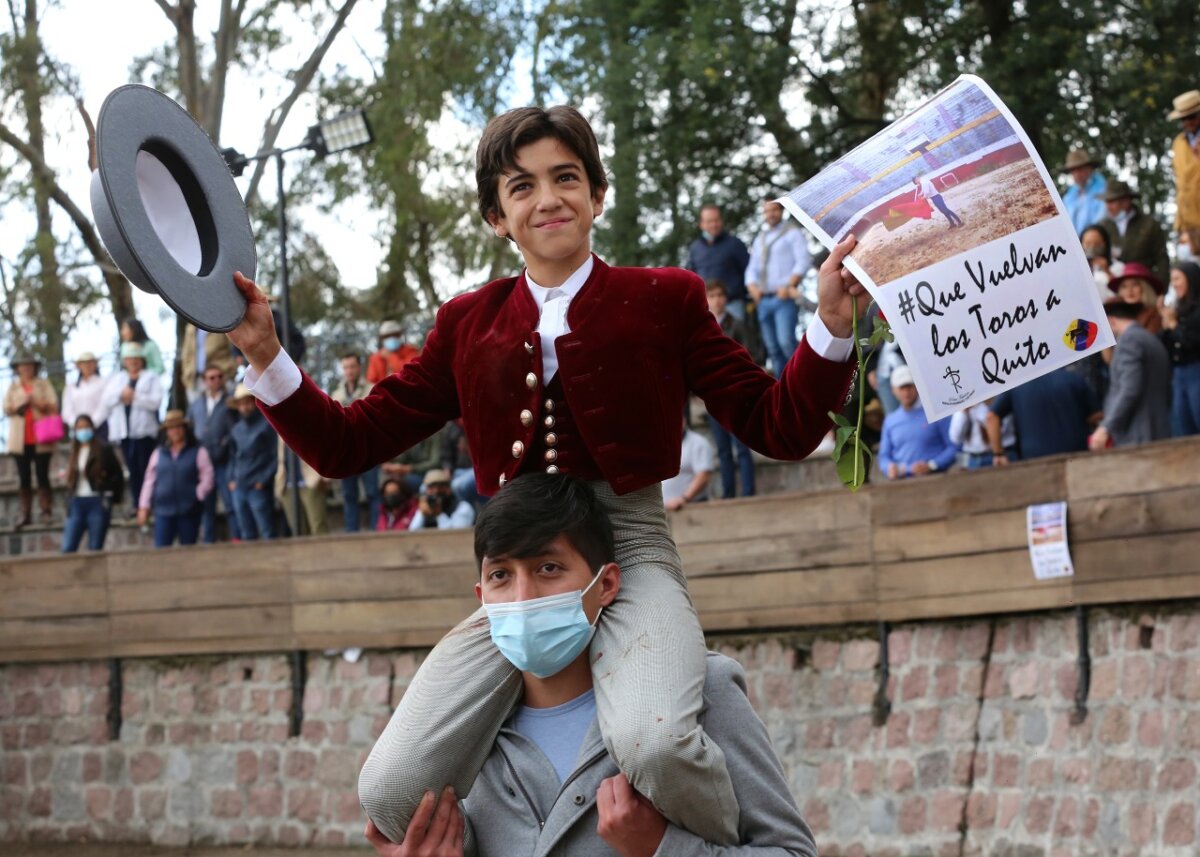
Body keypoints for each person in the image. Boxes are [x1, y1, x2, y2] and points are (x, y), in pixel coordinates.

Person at [228, 104, 863, 845]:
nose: (548, 198)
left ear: (597, 195)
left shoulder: (670, 297)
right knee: (390, 788)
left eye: (566, 177)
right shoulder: (465, 320)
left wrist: (830, 324)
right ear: (497, 215)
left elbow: (779, 425)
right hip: (518, 571)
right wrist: (267, 355)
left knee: (655, 743)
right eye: (521, 186)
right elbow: (346, 444)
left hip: (630, 546)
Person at [364, 473, 819, 857]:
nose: (523, 599)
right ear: (482, 599)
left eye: (548, 569)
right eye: (501, 575)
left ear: (606, 585)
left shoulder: (699, 690)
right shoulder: (463, 733)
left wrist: (662, 846)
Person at [1089, 301, 1171, 449]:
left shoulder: (1128, 341)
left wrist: (1105, 428)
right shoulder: (1150, 339)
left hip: (1138, 435)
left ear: (1111, 321)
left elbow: (1129, 389)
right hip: (1158, 430)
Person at [745, 198, 812, 376]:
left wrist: (790, 285)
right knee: (772, 348)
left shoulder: (792, 233)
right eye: (767, 211)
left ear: (782, 211)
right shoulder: (760, 239)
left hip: (783, 297)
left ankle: (802, 378)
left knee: (786, 342)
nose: (770, 214)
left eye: (774, 210)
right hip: (763, 299)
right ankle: (782, 386)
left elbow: (803, 260)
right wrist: (752, 286)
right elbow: (752, 268)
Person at [703, 279, 756, 498]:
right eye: (712, 295)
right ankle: (728, 495)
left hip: (736, 393)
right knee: (723, 450)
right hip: (712, 395)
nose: (717, 300)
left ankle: (748, 493)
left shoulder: (737, 324)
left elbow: (750, 354)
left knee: (742, 447)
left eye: (720, 295)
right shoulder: (701, 326)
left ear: (726, 298)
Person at [987, 368, 1101, 463]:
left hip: (1033, 460)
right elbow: (1096, 415)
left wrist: (998, 454)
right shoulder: (1074, 379)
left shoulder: (1017, 384)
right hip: (1076, 455)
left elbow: (991, 417)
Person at [102, 342, 164, 516]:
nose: (133, 362)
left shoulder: (151, 377)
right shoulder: (118, 379)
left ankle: (149, 504)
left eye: (137, 359)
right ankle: (138, 504)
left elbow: (155, 402)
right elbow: (107, 400)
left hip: (144, 433)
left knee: (147, 469)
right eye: (130, 359)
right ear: (125, 361)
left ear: (142, 360)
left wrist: (135, 396)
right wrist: (122, 394)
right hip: (125, 433)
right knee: (133, 471)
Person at [137, 410, 214, 547]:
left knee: (188, 551)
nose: (175, 431)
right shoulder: (158, 453)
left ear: (184, 429)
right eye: (171, 428)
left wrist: (197, 494)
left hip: (189, 510)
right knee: (161, 551)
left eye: (178, 427)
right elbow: (149, 481)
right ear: (166, 432)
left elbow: (207, 476)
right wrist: (144, 506)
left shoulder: (198, 451)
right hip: (163, 510)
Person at [4, 354, 60, 527]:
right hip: (20, 439)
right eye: (23, 366)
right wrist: (21, 403)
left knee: (43, 476)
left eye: (29, 366)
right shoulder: (13, 387)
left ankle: (46, 511)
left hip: (41, 437)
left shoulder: (43, 384)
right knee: (24, 477)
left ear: (35, 367)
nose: (26, 369)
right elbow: (6, 408)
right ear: (18, 368)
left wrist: (35, 401)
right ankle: (25, 513)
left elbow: (53, 405)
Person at [188, 365, 240, 542]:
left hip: (224, 461)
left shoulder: (230, 401)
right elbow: (191, 427)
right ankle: (208, 543)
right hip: (203, 464)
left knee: (231, 504)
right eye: (211, 377)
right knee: (206, 507)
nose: (216, 380)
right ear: (205, 381)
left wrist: (225, 443)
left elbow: (236, 429)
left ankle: (237, 539)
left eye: (219, 376)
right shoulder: (196, 404)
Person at [877, 365, 956, 479]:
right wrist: (889, 468)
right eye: (901, 388)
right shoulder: (890, 421)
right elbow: (884, 456)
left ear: (918, 386)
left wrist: (932, 465)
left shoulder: (936, 413)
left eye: (910, 387)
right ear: (893, 390)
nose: (906, 392)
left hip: (936, 479)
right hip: (902, 483)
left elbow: (953, 447)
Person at [331, 352, 381, 531]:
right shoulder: (336, 394)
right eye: (345, 367)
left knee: (373, 492)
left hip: (368, 449)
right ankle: (351, 532)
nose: (349, 371)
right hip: (347, 451)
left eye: (352, 366)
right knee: (349, 494)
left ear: (359, 368)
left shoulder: (371, 389)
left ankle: (378, 530)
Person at [61, 414, 124, 553]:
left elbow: (118, 475)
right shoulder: (74, 452)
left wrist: (111, 495)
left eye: (86, 427)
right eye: (79, 428)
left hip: (97, 501)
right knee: (68, 547)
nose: (83, 431)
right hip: (77, 501)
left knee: (95, 547)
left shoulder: (103, 450)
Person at [228, 384, 277, 540]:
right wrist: (231, 478)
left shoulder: (266, 425)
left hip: (257, 486)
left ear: (254, 402)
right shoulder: (236, 429)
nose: (245, 407)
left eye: (247, 402)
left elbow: (275, 455)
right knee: (246, 533)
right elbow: (233, 456)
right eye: (241, 404)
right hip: (240, 486)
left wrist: (263, 480)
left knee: (267, 531)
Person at [1098, 180, 1170, 285]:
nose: (1107, 207)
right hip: (1111, 286)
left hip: (1143, 286)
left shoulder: (1150, 225)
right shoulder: (1102, 226)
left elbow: (1162, 259)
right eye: (1106, 202)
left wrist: (1161, 289)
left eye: (1112, 201)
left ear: (1126, 201)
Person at [686, 204, 751, 320]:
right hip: (706, 308)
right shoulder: (695, 248)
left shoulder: (735, 244)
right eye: (709, 221)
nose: (714, 224)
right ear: (701, 224)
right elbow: (691, 278)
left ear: (721, 221)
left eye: (716, 220)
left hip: (733, 304)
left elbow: (749, 272)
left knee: (735, 338)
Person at [1161, 261, 1200, 435]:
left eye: (1177, 278)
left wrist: (1173, 324)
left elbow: (1192, 341)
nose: (1174, 284)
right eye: (1172, 280)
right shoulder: (1177, 310)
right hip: (1178, 375)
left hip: (1196, 372)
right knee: (1183, 429)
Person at [275, 435, 330, 536]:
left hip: (310, 481)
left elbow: (325, 445)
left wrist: (325, 477)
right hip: (287, 485)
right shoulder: (281, 423)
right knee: (297, 531)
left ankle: (323, 552)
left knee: (319, 527)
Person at [662, 412, 713, 510]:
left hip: (690, 508)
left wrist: (683, 499)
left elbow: (704, 475)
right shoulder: (662, 444)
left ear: (683, 421)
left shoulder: (698, 442)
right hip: (663, 510)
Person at [1168, 89, 1200, 235]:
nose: (1188, 122)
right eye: (1183, 119)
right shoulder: (1178, 143)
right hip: (1190, 221)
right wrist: (1180, 224)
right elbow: (1181, 185)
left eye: (1192, 117)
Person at [949, 401, 1016, 469]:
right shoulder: (965, 400)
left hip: (1001, 454)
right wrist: (963, 413)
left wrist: (979, 408)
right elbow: (956, 439)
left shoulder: (998, 397)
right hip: (972, 458)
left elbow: (1001, 429)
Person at [179, 324, 236, 402]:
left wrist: (231, 367)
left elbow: (234, 347)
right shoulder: (191, 327)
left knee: (222, 410)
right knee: (198, 411)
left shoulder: (221, 321)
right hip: (196, 379)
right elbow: (186, 354)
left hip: (220, 378)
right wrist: (187, 371)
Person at [1107, 262, 1165, 334]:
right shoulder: (1114, 315)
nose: (1129, 290)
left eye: (1135, 284)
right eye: (1124, 286)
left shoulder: (1156, 315)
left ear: (1145, 288)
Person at [408, 468, 476, 530]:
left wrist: (439, 515)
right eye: (432, 487)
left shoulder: (462, 507)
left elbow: (456, 537)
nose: (436, 491)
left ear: (449, 488)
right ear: (426, 490)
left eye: (441, 486)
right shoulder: (425, 506)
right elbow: (412, 532)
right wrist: (421, 514)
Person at [61, 352, 107, 440]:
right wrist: (78, 424)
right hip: (78, 431)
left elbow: (104, 406)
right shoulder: (71, 386)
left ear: (95, 365)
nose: (87, 365)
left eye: (90, 362)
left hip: (99, 428)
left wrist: (90, 424)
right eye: (84, 363)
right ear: (79, 366)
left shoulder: (103, 383)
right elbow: (66, 410)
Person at [1061, 149, 1107, 236]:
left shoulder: (1103, 189)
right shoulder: (1068, 197)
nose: (1077, 174)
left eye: (1081, 169)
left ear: (1090, 169)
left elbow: (1102, 219)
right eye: (1074, 170)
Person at [367, 320, 420, 385]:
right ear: (382, 339)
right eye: (387, 336)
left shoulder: (411, 351)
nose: (391, 338)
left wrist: (391, 357)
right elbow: (372, 380)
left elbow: (410, 373)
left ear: (400, 335)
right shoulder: (376, 358)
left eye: (395, 335)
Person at [1080, 223, 1122, 299]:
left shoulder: (1118, 267)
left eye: (1097, 244)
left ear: (1105, 244)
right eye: (1088, 244)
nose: (1092, 247)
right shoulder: (1077, 268)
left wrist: (1107, 271)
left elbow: (1121, 292)